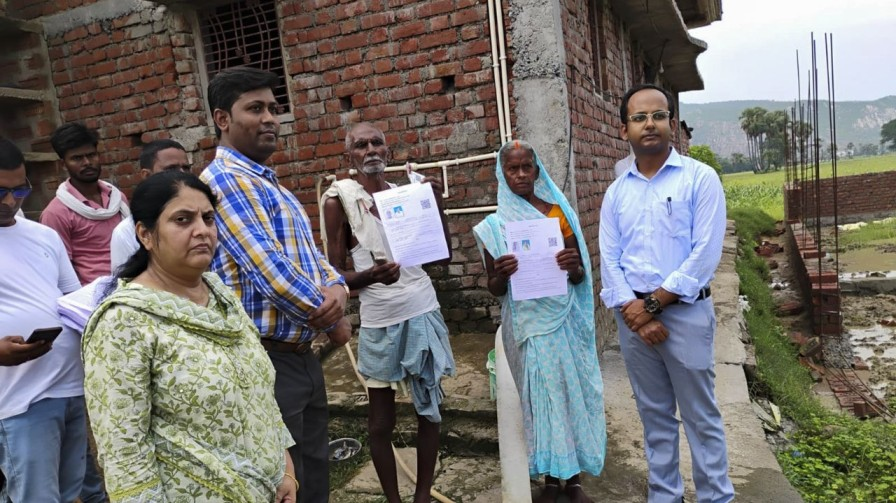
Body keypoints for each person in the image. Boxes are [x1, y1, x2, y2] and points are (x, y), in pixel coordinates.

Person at [81, 170, 298, 502]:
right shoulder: (123, 323)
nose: (203, 231)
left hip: (267, 487)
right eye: (183, 220)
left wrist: (284, 467)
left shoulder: (221, 296)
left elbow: (259, 394)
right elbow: (124, 450)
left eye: (208, 219)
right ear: (146, 235)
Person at [200, 66, 350, 503]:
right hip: (265, 361)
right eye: (255, 109)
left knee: (315, 472)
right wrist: (329, 315)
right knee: (283, 481)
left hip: (301, 356)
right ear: (222, 119)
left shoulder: (272, 184)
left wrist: (337, 288)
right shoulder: (225, 181)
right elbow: (270, 272)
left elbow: (313, 257)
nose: (270, 118)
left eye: (274, 108)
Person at [599, 83, 734, 503]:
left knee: (700, 415)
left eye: (657, 115)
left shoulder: (700, 179)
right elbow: (609, 257)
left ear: (671, 124)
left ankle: (715, 497)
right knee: (654, 415)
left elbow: (705, 253)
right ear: (625, 131)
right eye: (639, 118)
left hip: (685, 315)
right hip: (633, 319)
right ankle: (664, 495)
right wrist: (632, 311)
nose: (649, 124)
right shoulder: (616, 191)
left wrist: (653, 305)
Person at [321, 123, 455, 503]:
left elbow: (442, 257)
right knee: (381, 422)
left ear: (389, 151)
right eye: (360, 145)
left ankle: (423, 494)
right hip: (379, 320)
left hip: (422, 310)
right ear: (350, 156)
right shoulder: (340, 201)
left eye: (376, 142)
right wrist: (368, 275)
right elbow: (335, 275)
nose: (370, 150)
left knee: (429, 411)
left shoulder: (407, 197)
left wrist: (436, 203)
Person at [473, 140, 606, 503]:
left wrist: (574, 266)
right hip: (529, 328)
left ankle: (575, 481)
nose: (520, 175)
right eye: (512, 169)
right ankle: (550, 480)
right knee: (540, 399)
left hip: (562, 321)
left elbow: (579, 277)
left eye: (526, 167)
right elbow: (494, 289)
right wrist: (502, 273)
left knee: (568, 394)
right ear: (502, 173)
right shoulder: (495, 227)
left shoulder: (556, 214)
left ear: (536, 170)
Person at [0, 137, 88, 502]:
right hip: (20, 400)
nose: (10, 202)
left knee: (69, 495)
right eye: (0, 191)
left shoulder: (43, 236)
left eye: (20, 189)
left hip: (71, 387)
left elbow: (73, 299)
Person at [40, 123, 129, 285]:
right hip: (92, 296)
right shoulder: (56, 212)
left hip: (133, 283)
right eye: (77, 158)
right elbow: (60, 267)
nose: (87, 162)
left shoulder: (118, 198)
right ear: (63, 164)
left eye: (91, 155)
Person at [110, 139, 192, 272]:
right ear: (147, 175)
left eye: (186, 168)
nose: (182, 174)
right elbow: (125, 284)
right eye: (171, 169)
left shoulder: (203, 218)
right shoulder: (125, 233)